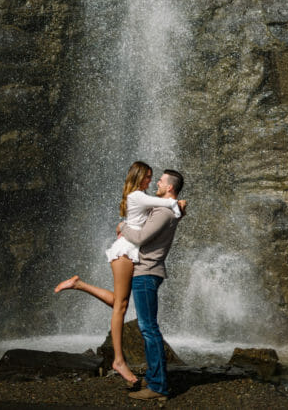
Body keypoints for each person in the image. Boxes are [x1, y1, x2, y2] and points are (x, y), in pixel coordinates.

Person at [54, 161, 185, 388]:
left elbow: (166, 209)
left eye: (155, 178)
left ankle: (79, 284)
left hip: (130, 252)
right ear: (137, 177)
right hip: (125, 250)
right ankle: (119, 360)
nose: (151, 182)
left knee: (119, 301)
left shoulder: (141, 196)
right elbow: (167, 204)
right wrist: (178, 204)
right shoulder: (137, 196)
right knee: (121, 307)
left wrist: (179, 206)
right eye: (147, 177)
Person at [118, 168, 185, 402]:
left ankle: (158, 385)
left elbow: (140, 238)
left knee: (149, 328)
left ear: (169, 187)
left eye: (160, 181)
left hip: (146, 272)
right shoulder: (167, 208)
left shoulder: (164, 213)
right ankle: (153, 376)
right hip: (145, 272)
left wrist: (122, 227)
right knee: (148, 327)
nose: (156, 182)